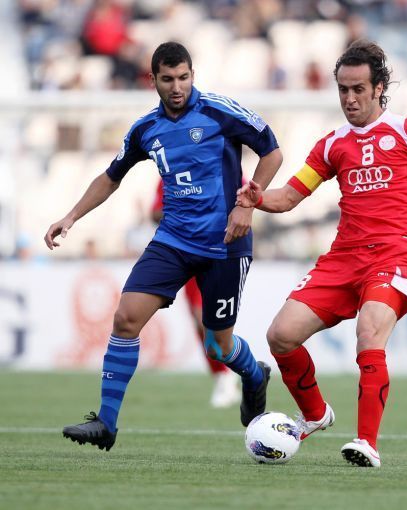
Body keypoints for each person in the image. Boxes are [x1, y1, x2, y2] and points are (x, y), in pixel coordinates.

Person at [236, 40, 407, 468]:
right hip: (343, 259)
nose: (350, 98)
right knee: (280, 336)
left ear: (379, 88)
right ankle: (315, 414)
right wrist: (257, 197)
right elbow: (289, 197)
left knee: (369, 332)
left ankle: (367, 442)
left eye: (359, 89)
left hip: (393, 255)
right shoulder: (332, 145)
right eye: (343, 89)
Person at [44, 42, 283, 451]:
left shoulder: (220, 112)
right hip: (173, 240)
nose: (177, 87)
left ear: (193, 75)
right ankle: (106, 423)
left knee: (217, 345)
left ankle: (255, 375)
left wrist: (247, 203)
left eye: (183, 78)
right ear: (153, 79)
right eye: (168, 79)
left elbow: (272, 152)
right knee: (125, 318)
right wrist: (70, 217)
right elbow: (111, 177)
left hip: (225, 244)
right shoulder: (145, 129)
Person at [150, 180, 240, 409]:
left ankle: (238, 370)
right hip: (188, 252)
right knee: (200, 320)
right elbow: (155, 213)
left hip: (223, 251)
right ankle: (223, 375)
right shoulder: (173, 168)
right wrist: (184, 211)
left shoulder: (227, 165)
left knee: (216, 319)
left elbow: (247, 201)